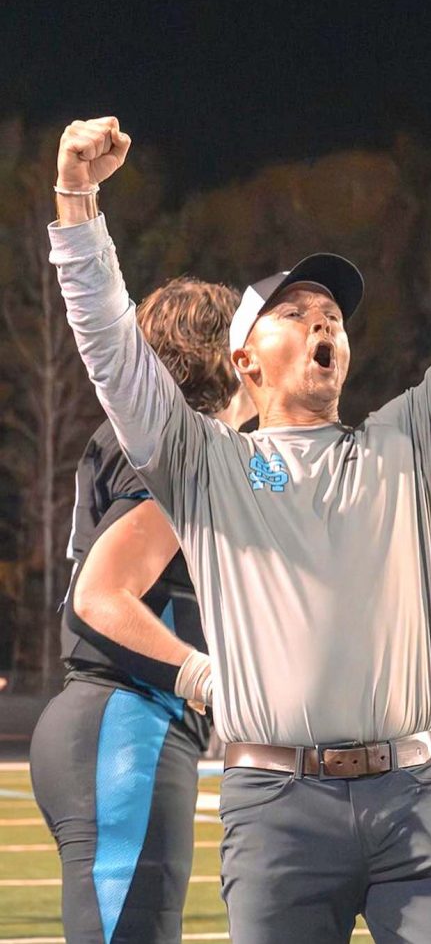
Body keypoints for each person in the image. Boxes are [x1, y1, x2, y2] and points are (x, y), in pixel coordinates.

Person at [49, 95, 431, 944]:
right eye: (293, 311)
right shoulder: (204, 465)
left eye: (335, 315)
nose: (323, 319)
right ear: (243, 359)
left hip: (415, 800)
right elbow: (108, 347)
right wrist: (77, 203)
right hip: (275, 809)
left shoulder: (405, 444)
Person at [30, 276, 255, 944]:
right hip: (126, 722)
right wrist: (203, 678)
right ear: (223, 353)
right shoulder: (173, 449)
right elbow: (99, 596)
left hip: (113, 722)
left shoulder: (170, 443)